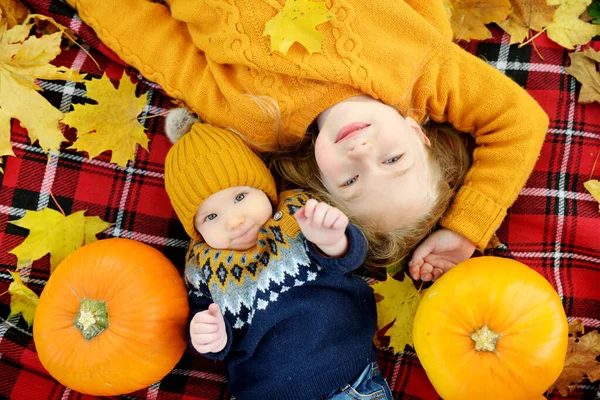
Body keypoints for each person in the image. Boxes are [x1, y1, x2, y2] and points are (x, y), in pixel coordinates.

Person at [64, 0, 549, 281]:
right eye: (394, 158)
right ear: (418, 132)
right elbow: (520, 121)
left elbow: (156, 42)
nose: (363, 152)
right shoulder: (424, 70)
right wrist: (467, 228)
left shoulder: (253, 118)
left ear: (321, 179)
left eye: (353, 179)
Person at [164, 122, 393, 400]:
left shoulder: (297, 214)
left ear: (264, 187)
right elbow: (202, 318)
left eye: (240, 196)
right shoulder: (202, 265)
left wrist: (332, 240)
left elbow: (349, 261)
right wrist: (207, 336)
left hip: (346, 376)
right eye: (211, 217)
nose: (235, 221)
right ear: (197, 231)